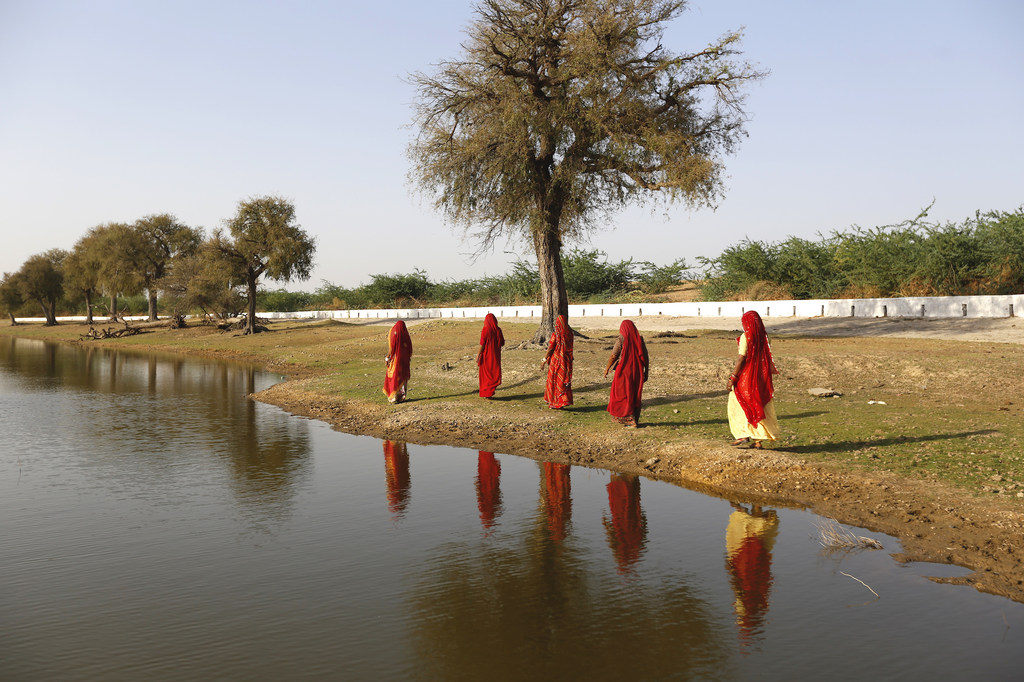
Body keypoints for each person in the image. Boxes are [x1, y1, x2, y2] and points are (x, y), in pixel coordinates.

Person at [727, 311, 780, 448]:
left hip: (747, 376)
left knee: (738, 403)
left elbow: (741, 358)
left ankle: (742, 435)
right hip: (761, 378)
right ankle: (758, 441)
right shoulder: (765, 338)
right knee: (758, 405)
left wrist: (733, 377)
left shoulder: (746, 337)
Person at [604, 319, 649, 427]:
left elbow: (614, 355)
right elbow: (645, 357)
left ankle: (629, 420)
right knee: (634, 394)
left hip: (624, 371)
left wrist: (607, 369)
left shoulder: (621, 339)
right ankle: (634, 419)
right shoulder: (639, 339)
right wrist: (646, 371)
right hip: (637, 371)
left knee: (622, 394)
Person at [541, 314, 573, 409]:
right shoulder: (570, 334)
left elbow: (550, 348)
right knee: (563, 380)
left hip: (556, 361)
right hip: (567, 361)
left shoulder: (556, 335)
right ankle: (563, 400)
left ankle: (555, 402)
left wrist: (544, 359)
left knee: (554, 380)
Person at [383, 319, 412, 404]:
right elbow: (409, 349)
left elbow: (391, 349)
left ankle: (394, 397)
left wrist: (387, 358)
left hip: (396, 361)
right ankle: (401, 397)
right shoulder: (406, 336)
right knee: (402, 378)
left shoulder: (394, 333)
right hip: (404, 361)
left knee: (395, 377)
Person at [476, 313, 505, 398]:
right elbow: (502, 343)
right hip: (495, 356)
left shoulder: (485, 330)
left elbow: (482, 344)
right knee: (493, 372)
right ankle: (490, 391)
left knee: (485, 374)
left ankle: (487, 393)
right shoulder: (498, 330)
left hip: (486, 355)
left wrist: (478, 354)